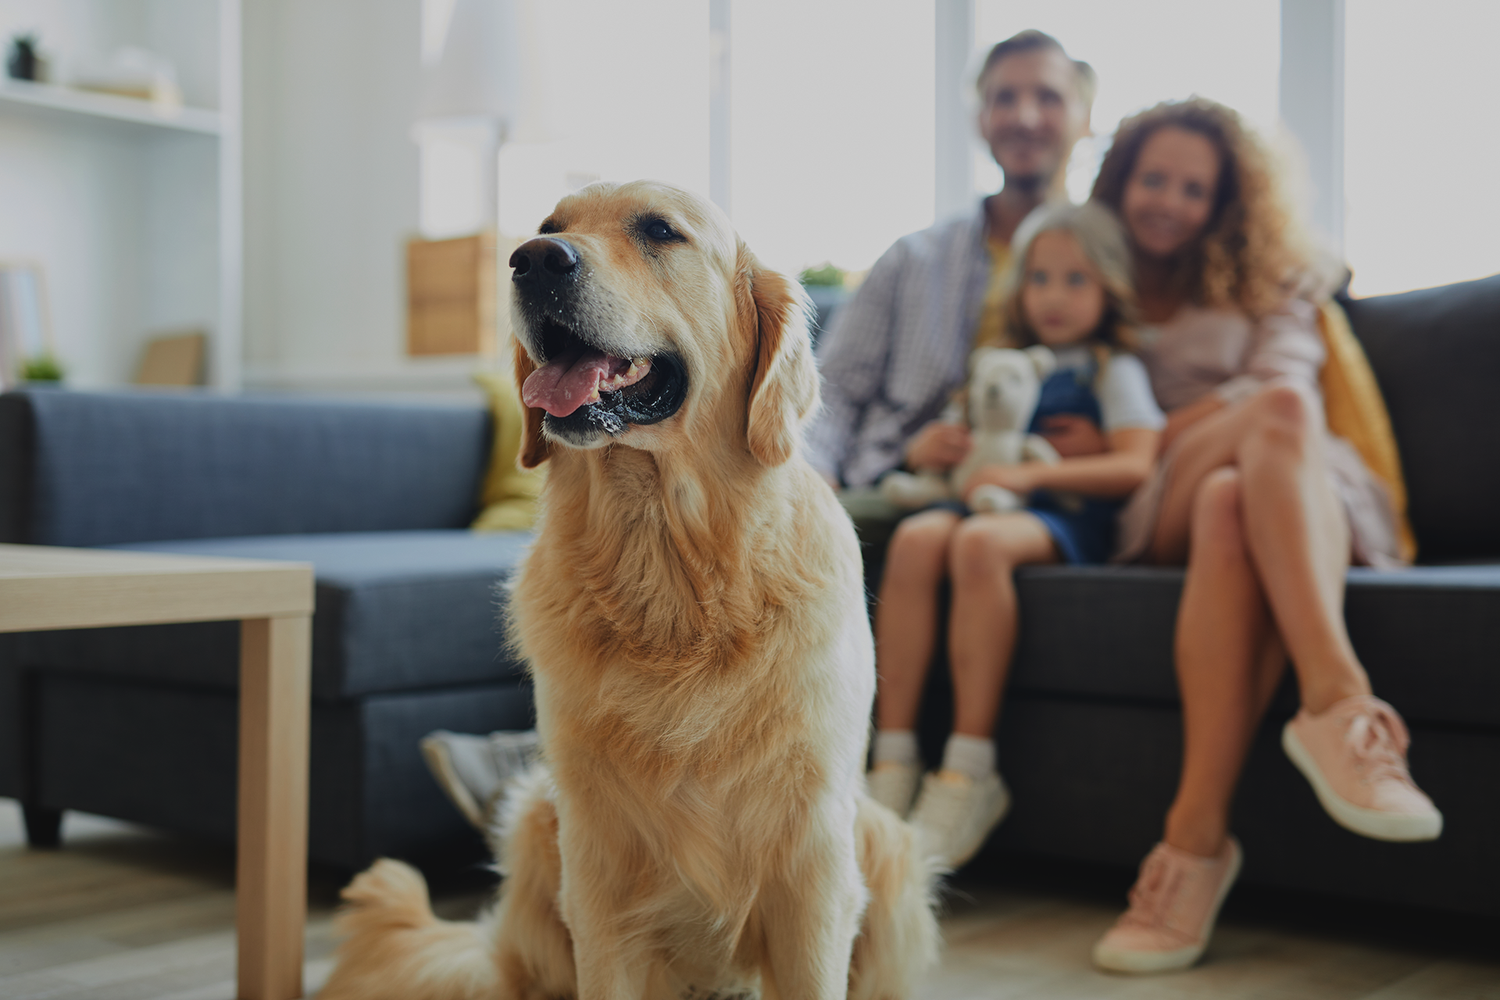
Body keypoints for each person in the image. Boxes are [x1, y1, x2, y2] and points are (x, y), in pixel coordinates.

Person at [1083, 98, 1441, 974]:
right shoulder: (1091, 275)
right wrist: (1189, 424)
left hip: (1294, 481)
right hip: (1160, 485)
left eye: (1194, 188)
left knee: (1237, 495)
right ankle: (1341, 703)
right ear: (1121, 181)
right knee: (1255, 432)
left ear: (1228, 202)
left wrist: (1188, 418)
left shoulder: (1271, 279)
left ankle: (1192, 848)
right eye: (1153, 179)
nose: (1168, 200)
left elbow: (1290, 390)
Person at [867, 201, 1165, 868]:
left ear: (1110, 287)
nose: (1054, 297)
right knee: (916, 540)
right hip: (981, 498)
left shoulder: (1110, 367)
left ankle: (969, 771)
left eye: (1075, 280)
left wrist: (1026, 479)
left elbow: (1137, 463)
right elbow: (957, 439)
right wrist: (927, 449)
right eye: (1040, 278)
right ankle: (891, 760)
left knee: (979, 544)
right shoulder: (994, 360)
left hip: (1062, 514)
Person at [806, 29, 1098, 491]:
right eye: (1004, 98)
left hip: (1049, 493)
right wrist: (819, 485)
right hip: (901, 481)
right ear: (981, 120)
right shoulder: (911, 259)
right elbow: (830, 393)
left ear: (1086, 118)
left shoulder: (1113, 259)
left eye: (1048, 97)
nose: (1024, 116)